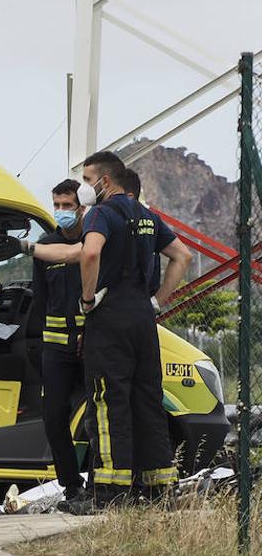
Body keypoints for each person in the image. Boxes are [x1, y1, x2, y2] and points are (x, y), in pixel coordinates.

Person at [79, 150, 192, 508]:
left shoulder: (101, 212)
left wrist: (87, 300)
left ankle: (111, 492)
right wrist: (157, 301)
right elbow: (182, 256)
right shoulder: (148, 216)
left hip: (109, 314)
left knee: (108, 399)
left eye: (86, 180)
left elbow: (90, 253)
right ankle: (158, 488)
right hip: (143, 316)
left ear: (105, 181)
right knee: (147, 401)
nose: (84, 187)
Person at [0, 179, 93, 511]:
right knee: (53, 416)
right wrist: (33, 345)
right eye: (57, 205)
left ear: (82, 207)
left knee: (97, 416)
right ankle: (71, 487)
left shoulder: (93, 243)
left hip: (91, 345)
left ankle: (99, 485)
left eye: (68, 205)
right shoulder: (45, 247)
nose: (62, 212)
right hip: (55, 349)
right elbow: (41, 300)